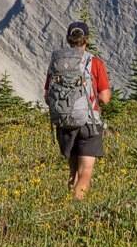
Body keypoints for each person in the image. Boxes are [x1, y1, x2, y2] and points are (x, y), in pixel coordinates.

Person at [45, 21, 111, 200]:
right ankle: (76, 210)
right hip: (89, 123)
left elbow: (47, 95)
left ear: (68, 39)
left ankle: (66, 206)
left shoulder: (57, 63)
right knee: (85, 173)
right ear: (86, 40)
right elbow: (105, 97)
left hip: (65, 122)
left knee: (73, 172)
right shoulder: (94, 62)